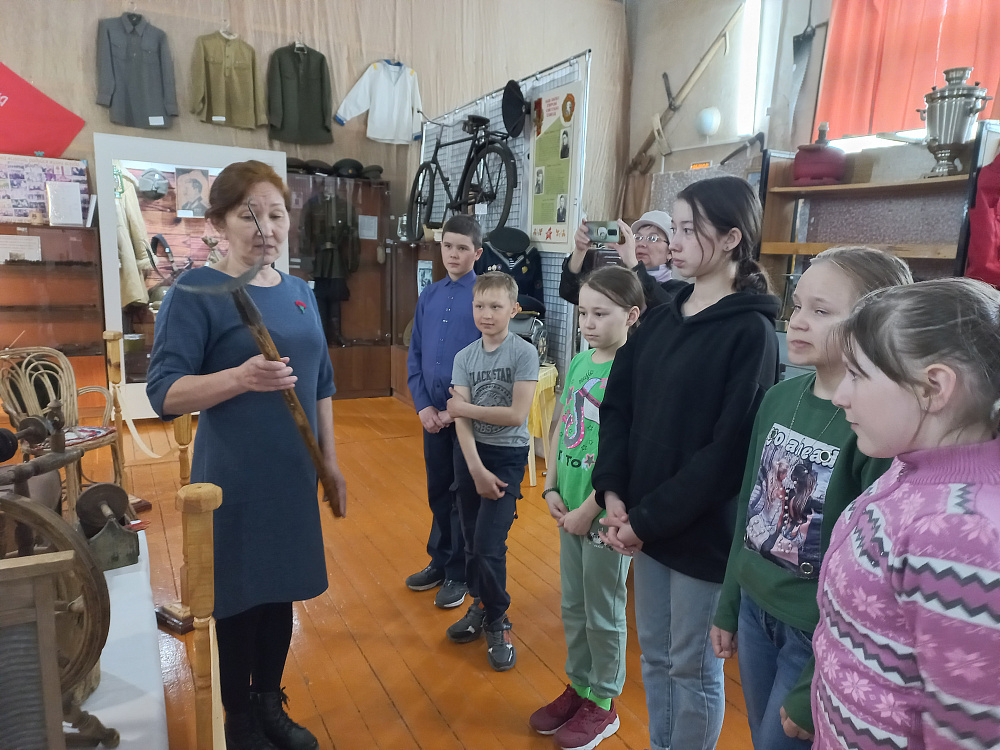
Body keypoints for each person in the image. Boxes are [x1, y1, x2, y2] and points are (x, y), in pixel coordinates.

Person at [147, 160, 346, 750]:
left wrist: (330, 462)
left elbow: (322, 383)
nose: (266, 228)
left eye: (276, 214)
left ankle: (268, 704)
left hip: (291, 473)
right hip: (231, 477)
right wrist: (239, 377)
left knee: (280, 589)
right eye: (249, 215)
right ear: (219, 223)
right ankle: (239, 721)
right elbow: (164, 392)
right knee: (239, 597)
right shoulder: (197, 292)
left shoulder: (301, 292)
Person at [594, 175, 780, 750]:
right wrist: (613, 492)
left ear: (731, 238)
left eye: (686, 230)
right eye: (671, 228)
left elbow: (727, 454)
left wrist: (646, 520)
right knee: (655, 656)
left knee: (692, 668)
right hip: (644, 525)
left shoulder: (751, 331)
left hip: (698, 533)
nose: (671, 242)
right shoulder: (661, 314)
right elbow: (618, 405)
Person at [710, 247, 913, 749]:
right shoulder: (779, 398)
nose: (797, 321)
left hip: (815, 633)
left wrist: (814, 681)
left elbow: (868, 577)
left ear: (874, 323)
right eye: (797, 305)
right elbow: (750, 505)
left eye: (821, 311)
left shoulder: (874, 430)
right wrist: (729, 602)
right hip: (756, 608)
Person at [812, 278, 1000, 750]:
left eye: (857, 374)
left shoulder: (963, 534)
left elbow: (968, 732)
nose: (840, 396)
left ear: (933, 387)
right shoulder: (908, 466)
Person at [529, 266, 643, 750]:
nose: (588, 323)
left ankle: (604, 700)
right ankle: (579, 686)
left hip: (605, 516)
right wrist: (551, 485)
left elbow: (632, 452)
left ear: (631, 315)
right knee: (573, 605)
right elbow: (560, 425)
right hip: (569, 506)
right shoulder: (579, 361)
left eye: (601, 314)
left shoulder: (635, 370)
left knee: (604, 608)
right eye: (583, 314)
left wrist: (590, 508)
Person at [444, 271, 539, 671]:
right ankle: (481, 605)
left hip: (508, 458)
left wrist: (464, 408)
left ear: (513, 310)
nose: (486, 314)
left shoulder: (524, 353)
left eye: (496, 306)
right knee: (470, 543)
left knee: (488, 544)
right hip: (470, 457)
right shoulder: (464, 357)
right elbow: (461, 425)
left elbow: (516, 415)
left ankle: (498, 620)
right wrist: (475, 469)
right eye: (479, 306)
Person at [404, 214, 484, 608]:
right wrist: (422, 406)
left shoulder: (483, 299)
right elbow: (415, 353)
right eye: (447, 246)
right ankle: (439, 560)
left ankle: (460, 572)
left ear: (477, 253)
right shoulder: (430, 296)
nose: (453, 254)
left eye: (462, 248)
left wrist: (455, 412)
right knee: (438, 489)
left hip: (466, 418)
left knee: (461, 496)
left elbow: (488, 361)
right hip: (431, 415)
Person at [560, 210, 675, 311]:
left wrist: (634, 265)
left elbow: (667, 312)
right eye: (638, 237)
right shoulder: (620, 279)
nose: (642, 244)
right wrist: (580, 250)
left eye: (652, 238)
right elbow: (570, 293)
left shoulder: (677, 290)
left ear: (670, 252)